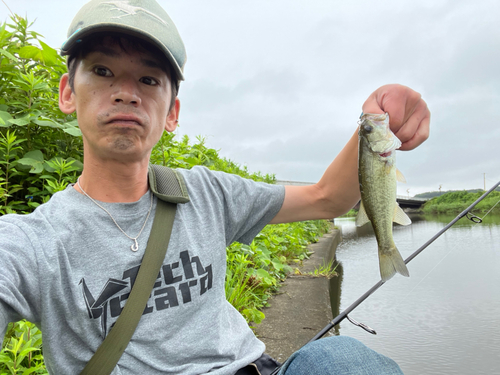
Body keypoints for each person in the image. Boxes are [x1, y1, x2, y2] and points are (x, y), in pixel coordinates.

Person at [0, 0, 430, 374]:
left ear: (172, 113)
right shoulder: (30, 242)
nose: (127, 93)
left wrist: (374, 120)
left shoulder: (207, 193)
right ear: (67, 92)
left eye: (149, 80)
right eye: (103, 71)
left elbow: (327, 198)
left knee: (343, 360)